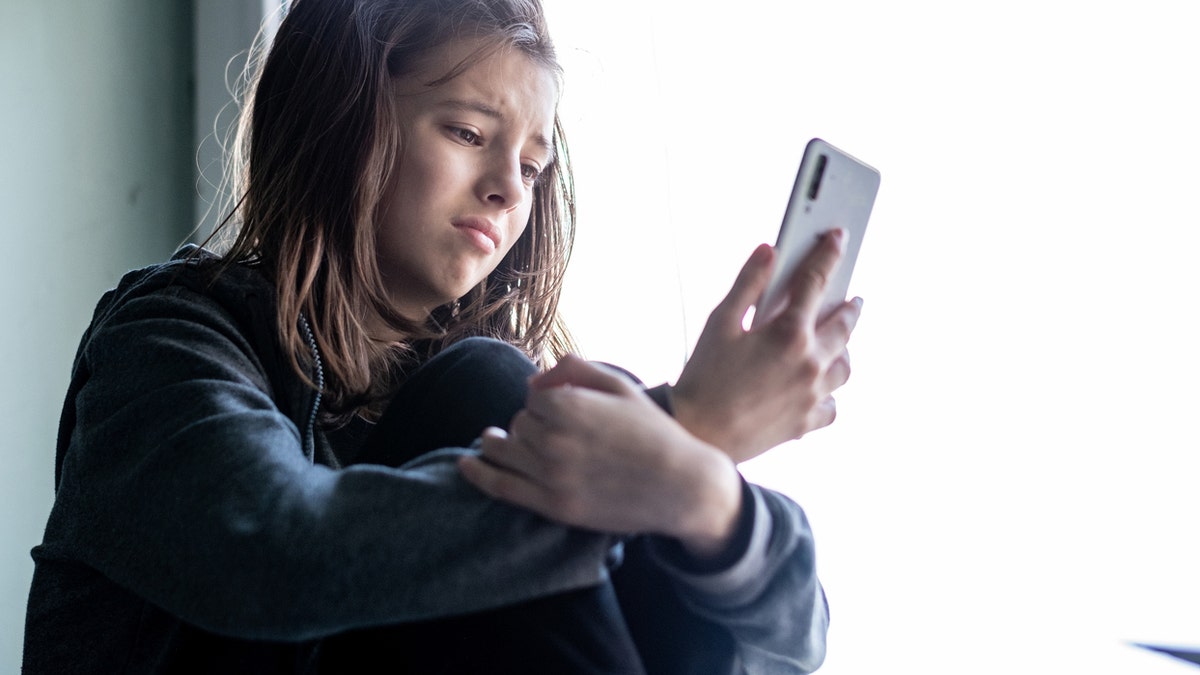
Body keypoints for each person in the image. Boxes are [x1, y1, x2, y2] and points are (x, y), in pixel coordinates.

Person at [23, 0, 862, 673]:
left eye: (531, 167)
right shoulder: (169, 340)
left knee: (549, 413)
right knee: (498, 396)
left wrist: (703, 489)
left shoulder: (531, 407)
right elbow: (277, 554)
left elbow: (792, 642)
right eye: (467, 133)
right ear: (340, 117)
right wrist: (686, 437)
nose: (507, 188)